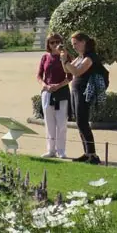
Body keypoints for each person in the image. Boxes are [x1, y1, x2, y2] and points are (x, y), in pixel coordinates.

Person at [61, 31, 108, 165]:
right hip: (75, 90)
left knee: (83, 122)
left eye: (76, 44)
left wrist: (66, 61)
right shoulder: (80, 57)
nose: (74, 46)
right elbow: (67, 70)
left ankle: (93, 155)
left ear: (84, 42)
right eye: (73, 44)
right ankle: (87, 153)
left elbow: (76, 72)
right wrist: (63, 59)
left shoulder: (90, 57)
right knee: (79, 122)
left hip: (84, 93)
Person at [37, 34, 72, 159]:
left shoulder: (66, 57)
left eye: (57, 42)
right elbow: (39, 76)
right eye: (52, 42)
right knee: (49, 122)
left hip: (61, 93)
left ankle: (61, 150)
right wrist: (45, 86)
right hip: (47, 93)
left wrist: (58, 85)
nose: (55, 45)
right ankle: (51, 150)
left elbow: (70, 77)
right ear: (48, 44)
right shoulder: (45, 57)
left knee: (61, 123)